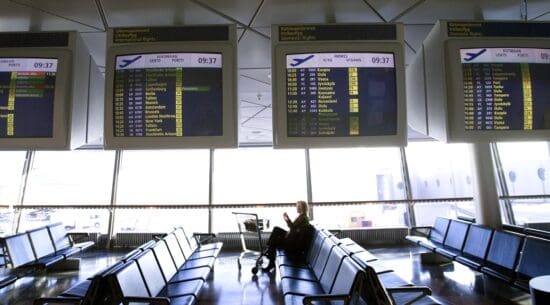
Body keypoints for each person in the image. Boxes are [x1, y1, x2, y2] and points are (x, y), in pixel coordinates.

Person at [262, 200, 312, 272]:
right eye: (297, 206)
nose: (297, 208)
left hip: (293, 244)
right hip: (292, 239)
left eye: (299, 206)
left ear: (303, 208)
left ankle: (270, 258)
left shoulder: (303, 218)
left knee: (274, 239)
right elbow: (294, 228)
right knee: (276, 232)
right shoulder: (302, 217)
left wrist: (287, 219)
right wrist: (287, 219)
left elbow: (293, 228)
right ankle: (270, 256)